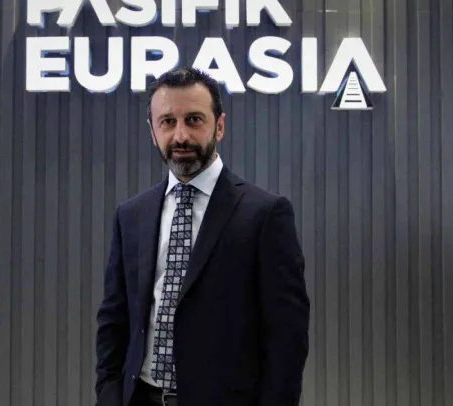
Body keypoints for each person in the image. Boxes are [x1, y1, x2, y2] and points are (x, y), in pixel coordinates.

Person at [94, 66, 310, 406]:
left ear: (219, 126)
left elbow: (287, 337)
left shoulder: (265, 214)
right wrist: (109, 396)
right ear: (152, 131)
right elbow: (114, 319)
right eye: (167, 122)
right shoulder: (131, 215)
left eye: (194, 120)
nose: (181, 135)